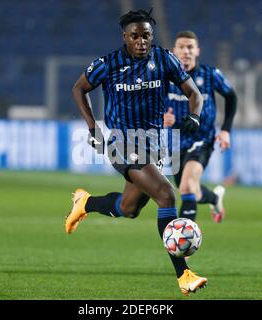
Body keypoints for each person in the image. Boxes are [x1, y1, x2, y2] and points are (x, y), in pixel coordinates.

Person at [66, 9, 207, 296]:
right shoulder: (108, 63)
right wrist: (93, 128)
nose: (141, 41)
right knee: (166, 194)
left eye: (146, 36)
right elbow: (79, 89)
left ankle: (86, 202)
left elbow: (195, 93)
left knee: (128, 209)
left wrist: (194, 116)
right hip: (121, 144)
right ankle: (184, 275)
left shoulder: (164, 59)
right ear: (125, 37)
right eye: (135, 36)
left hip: (153, 145)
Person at [164, 30, 237, 223]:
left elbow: (231, 96)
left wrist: (226, 130)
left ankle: (184, 243)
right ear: (174, 51)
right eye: (182, 47)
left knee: (187, 185)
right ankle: (214, 198)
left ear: (197, 51)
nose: (186, 51)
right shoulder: (165, 77)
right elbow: (150, 105)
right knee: (189, 189)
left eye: (190, 47)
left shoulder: (210, 75)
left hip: (202, 139)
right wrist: (161, 117)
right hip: (176, 143)